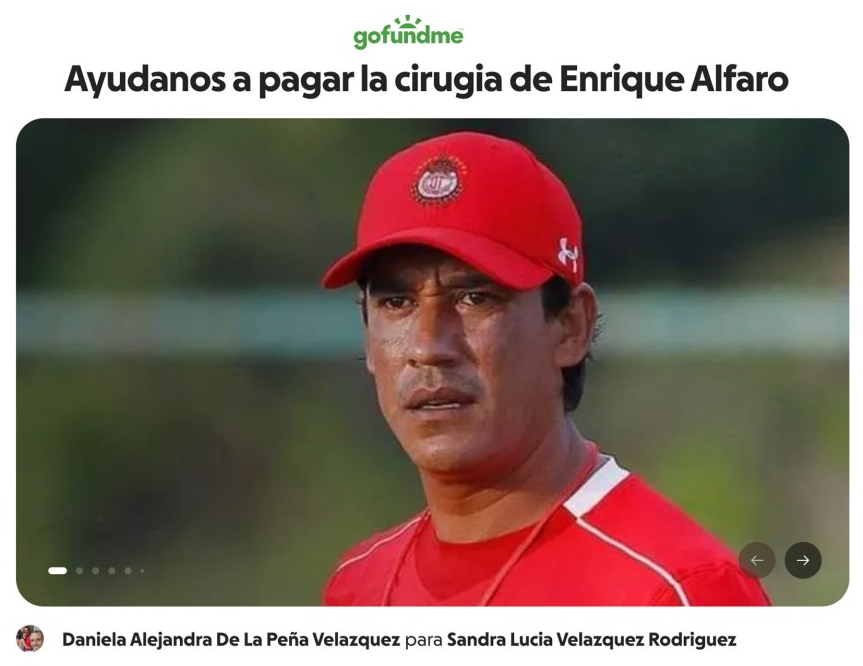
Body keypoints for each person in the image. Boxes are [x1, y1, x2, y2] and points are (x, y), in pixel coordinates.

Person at [320, 131, 770, 606]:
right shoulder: (358, 584)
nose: (429, 346)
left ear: (570, 326)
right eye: (396, 302)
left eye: (475, 298)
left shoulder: (679, 592)